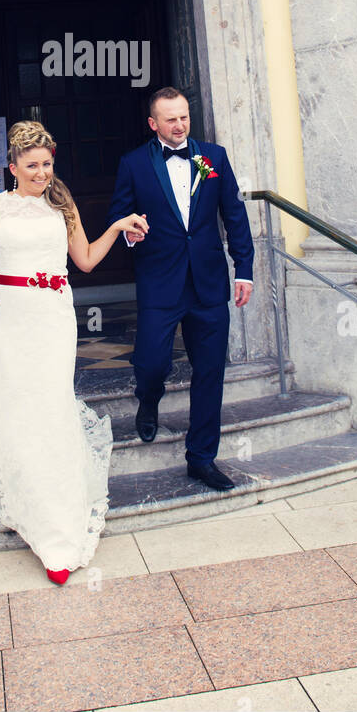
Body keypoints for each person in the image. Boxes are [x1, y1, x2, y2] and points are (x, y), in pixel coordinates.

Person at [0, 119, 148, 585]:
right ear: (12, 167)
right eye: (33, 166)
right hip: (6, 318)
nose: (43, 173)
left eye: (47, 164)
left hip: (53, 316)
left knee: (50, 402)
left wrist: (118, 226)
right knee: (17, 400)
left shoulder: (63, 207)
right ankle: (26, 498)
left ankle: (57, 526)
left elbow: (84, 260)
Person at [107, 86, 254, 490]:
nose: (180, 125)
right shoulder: (134, 163)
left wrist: (244, 269)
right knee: (152, 362)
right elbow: (120, 215)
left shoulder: (214, 156)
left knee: (210, 373)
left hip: (208, 283)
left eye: (184, 117)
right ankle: (148, 398)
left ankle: (202, 458)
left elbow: (234, 215)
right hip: (160, 281)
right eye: (171, 119)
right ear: (154, 123)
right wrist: (131, 234)